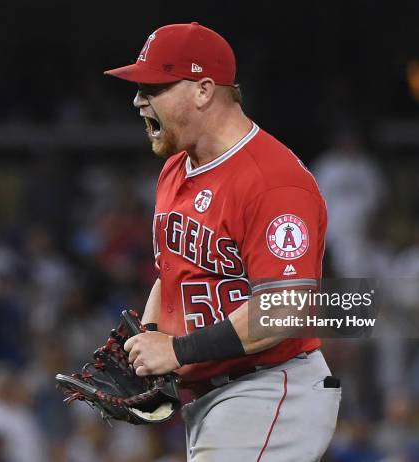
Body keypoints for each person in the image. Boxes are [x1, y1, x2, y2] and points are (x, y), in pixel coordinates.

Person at [103, 22, 340, 461]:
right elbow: (172, 274)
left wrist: (176, 351)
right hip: (214, 399)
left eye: (153, 86)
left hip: (270, 390)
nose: (138, 100)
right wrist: (153, 348)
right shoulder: (176, 169)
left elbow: (286, 308)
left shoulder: (273, 182)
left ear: (204, 90)